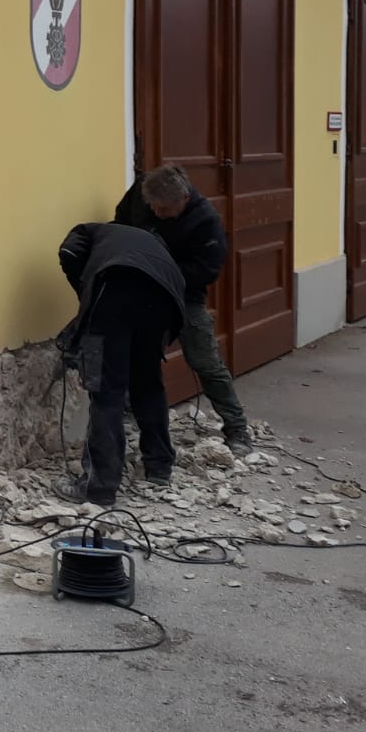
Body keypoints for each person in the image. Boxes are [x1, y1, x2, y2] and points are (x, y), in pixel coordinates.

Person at [114, 163, 252, 456]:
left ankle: (236, 427)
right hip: (143, 289)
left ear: (184, 199)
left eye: (164, 209)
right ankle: (129, 416)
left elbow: (207, 270)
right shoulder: (141, 193)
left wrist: (162, 269)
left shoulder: (206, 221)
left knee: (205, 361)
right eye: (152, 206)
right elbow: (121, 223)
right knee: (132, 352)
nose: (156, 213)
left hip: (184, 295)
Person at [55, 221, 187, 507]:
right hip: (164, 299)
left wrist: (86, 294)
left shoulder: (85, 232)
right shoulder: (148, 241)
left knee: (106, 391)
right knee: (148, 383)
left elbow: (69, 253)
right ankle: (159, 467)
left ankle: (99, 486)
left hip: (115, 289)